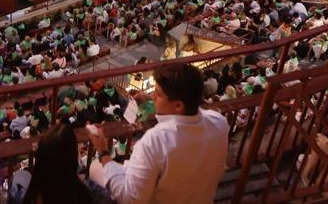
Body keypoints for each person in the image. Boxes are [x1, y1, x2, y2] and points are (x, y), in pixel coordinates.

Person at [87, 63, 229, 204]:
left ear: (178, 105)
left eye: (158, 94)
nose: (153, 96)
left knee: (94, 168)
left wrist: (103, 152)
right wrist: (152, 101)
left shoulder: (154, 142)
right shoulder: (219, 122)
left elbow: (131, 199)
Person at [21, 124, 105, 204]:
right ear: (74, 159)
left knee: (21, 176)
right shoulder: (87, 193)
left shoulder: (32, 194)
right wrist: (104, 153)